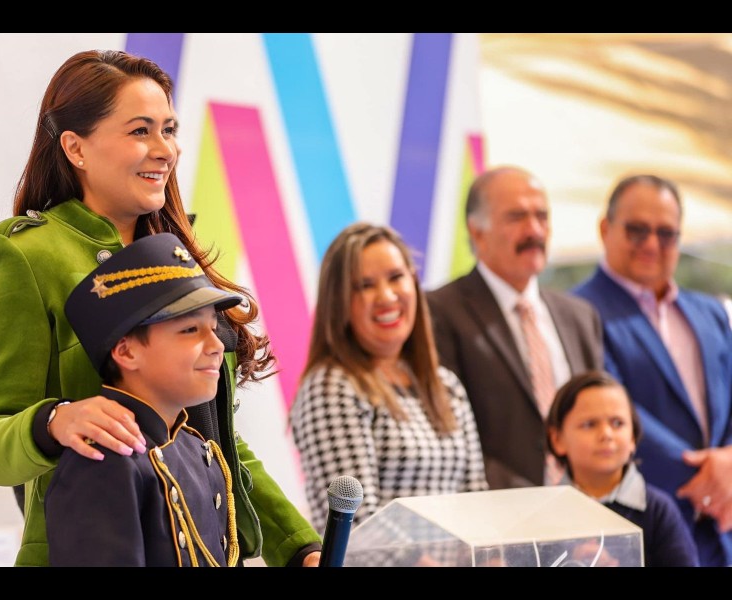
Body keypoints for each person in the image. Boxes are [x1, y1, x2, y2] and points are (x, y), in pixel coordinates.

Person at [0, 49, 321, 567]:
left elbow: (217, 439)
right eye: (140, 131)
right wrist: (56, 420)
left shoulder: (177, 253)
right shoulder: (25, 254)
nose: (165, 149)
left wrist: (300, 546)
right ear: (75, 147)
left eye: (169, 130)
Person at [47, 233, 244, 566]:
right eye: (190, 330)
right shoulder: (103, 463)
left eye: (213, 328)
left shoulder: (194, 448)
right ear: (127, 351)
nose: (216, 345)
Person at [572, 174, 732, 567]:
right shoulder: (577, 313)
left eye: (666, 233)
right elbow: (610, 412)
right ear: (605, 229)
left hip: (723, 526)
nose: (651, 244)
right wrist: (707, 478)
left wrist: (729, 464)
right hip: (641, 527)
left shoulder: (710, 312)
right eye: (637, 230)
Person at [290, 222, 488, 537]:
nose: (386, 296)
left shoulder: (446, 386)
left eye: (396, 277)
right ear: (339, 302)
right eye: (365, 285)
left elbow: (476, 501)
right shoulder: (331, 387)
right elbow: (359, 527)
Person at [425, 166, 603, 489]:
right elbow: (447, 431)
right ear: (477, 231)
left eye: (542, 216)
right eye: (517, 217)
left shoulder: (580, 316)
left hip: (585, 503)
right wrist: (531, 500)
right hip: (494, 507)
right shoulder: (438, 312)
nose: (534, 230)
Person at [546, 369, 699, 567]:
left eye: (617, 423)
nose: (606, 434)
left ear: (633, 437)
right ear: (557, 439)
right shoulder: (545, 513)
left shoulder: (657, 511)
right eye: (589, 424)